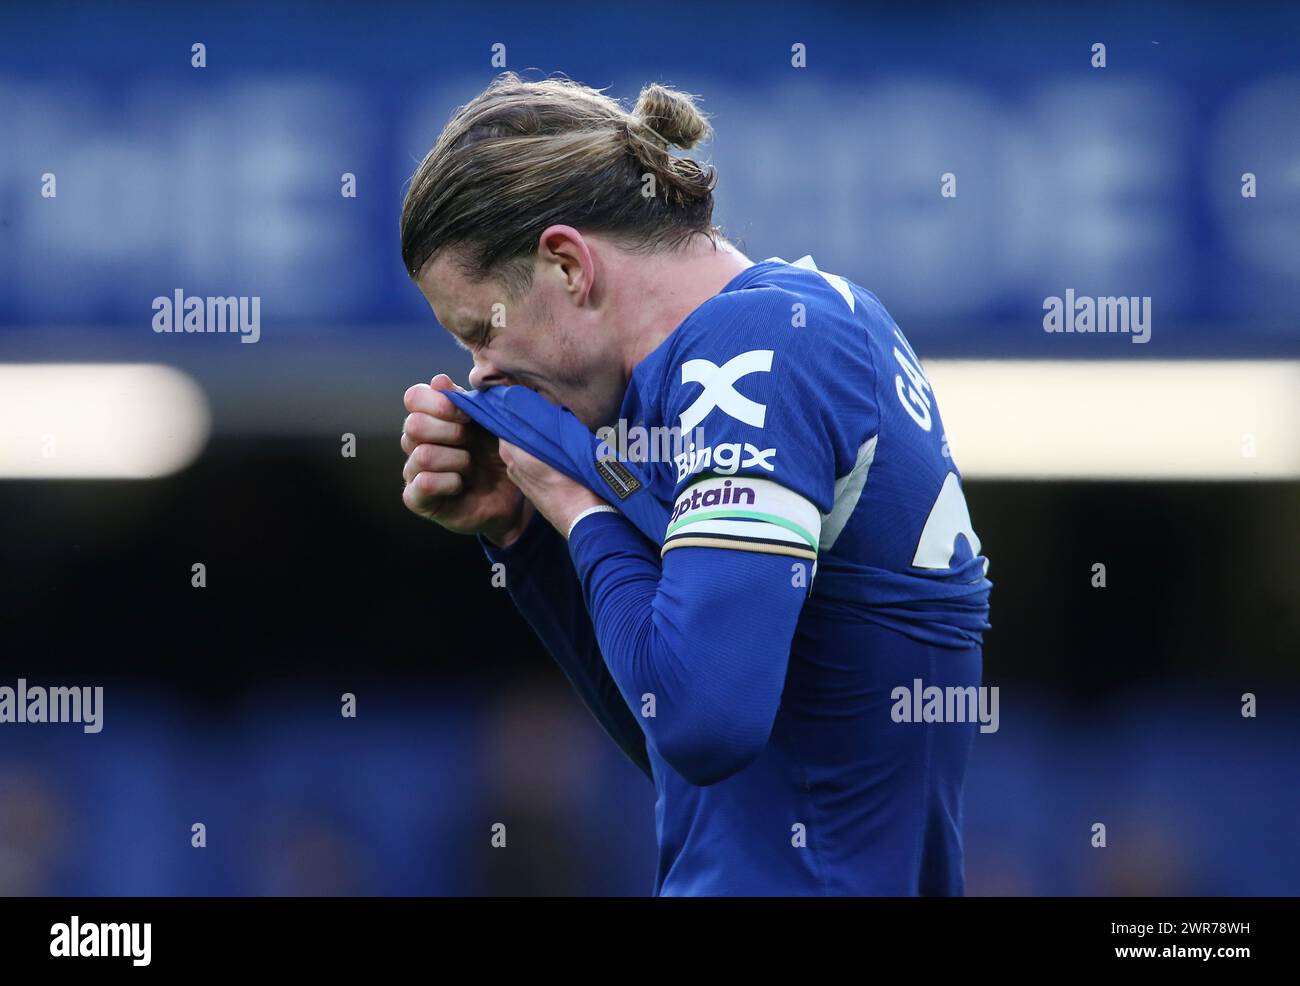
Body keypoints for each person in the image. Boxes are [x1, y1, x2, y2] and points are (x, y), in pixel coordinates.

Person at [398, 73, 991, 895]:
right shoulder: (781, 331)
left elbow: (703, 720)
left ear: (568, 265)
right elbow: (679, 743)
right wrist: (523, 535)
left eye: (481, 331)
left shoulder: (756, 345)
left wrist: (577, 506)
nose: (481, 376)